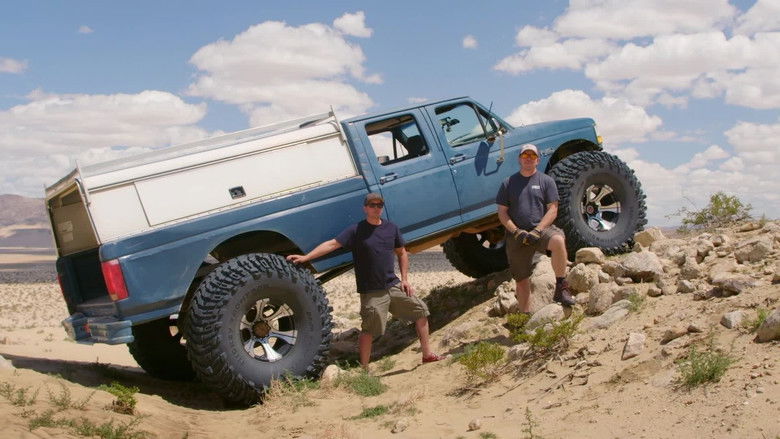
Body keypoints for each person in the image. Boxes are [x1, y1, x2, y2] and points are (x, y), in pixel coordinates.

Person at [287, 193, 447, 369]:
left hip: (392, 285)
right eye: (372, 205)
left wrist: (405, 280)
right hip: (372, 291)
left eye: (379, 205)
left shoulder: (391, 228)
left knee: (421, 311)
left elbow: (402, 252)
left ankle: (427, 355)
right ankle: (365, 369)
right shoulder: (356, 230)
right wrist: (307, 257)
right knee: (369, 330)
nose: (376, 208)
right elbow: (332, 244)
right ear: (365, 208)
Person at [495, 143, 576, 313]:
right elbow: (502, 213)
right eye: (525, 156)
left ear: (538, 160)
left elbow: (553, 209)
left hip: (541, 230)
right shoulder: (508, 183)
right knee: (521, 280)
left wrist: (538, 230)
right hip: (517, 235)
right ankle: (525, 316)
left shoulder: (546, 181)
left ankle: (561, 287)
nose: (528, 159)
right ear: (519, 159)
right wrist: (516, 231)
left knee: (558, 240)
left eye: (532, 156)